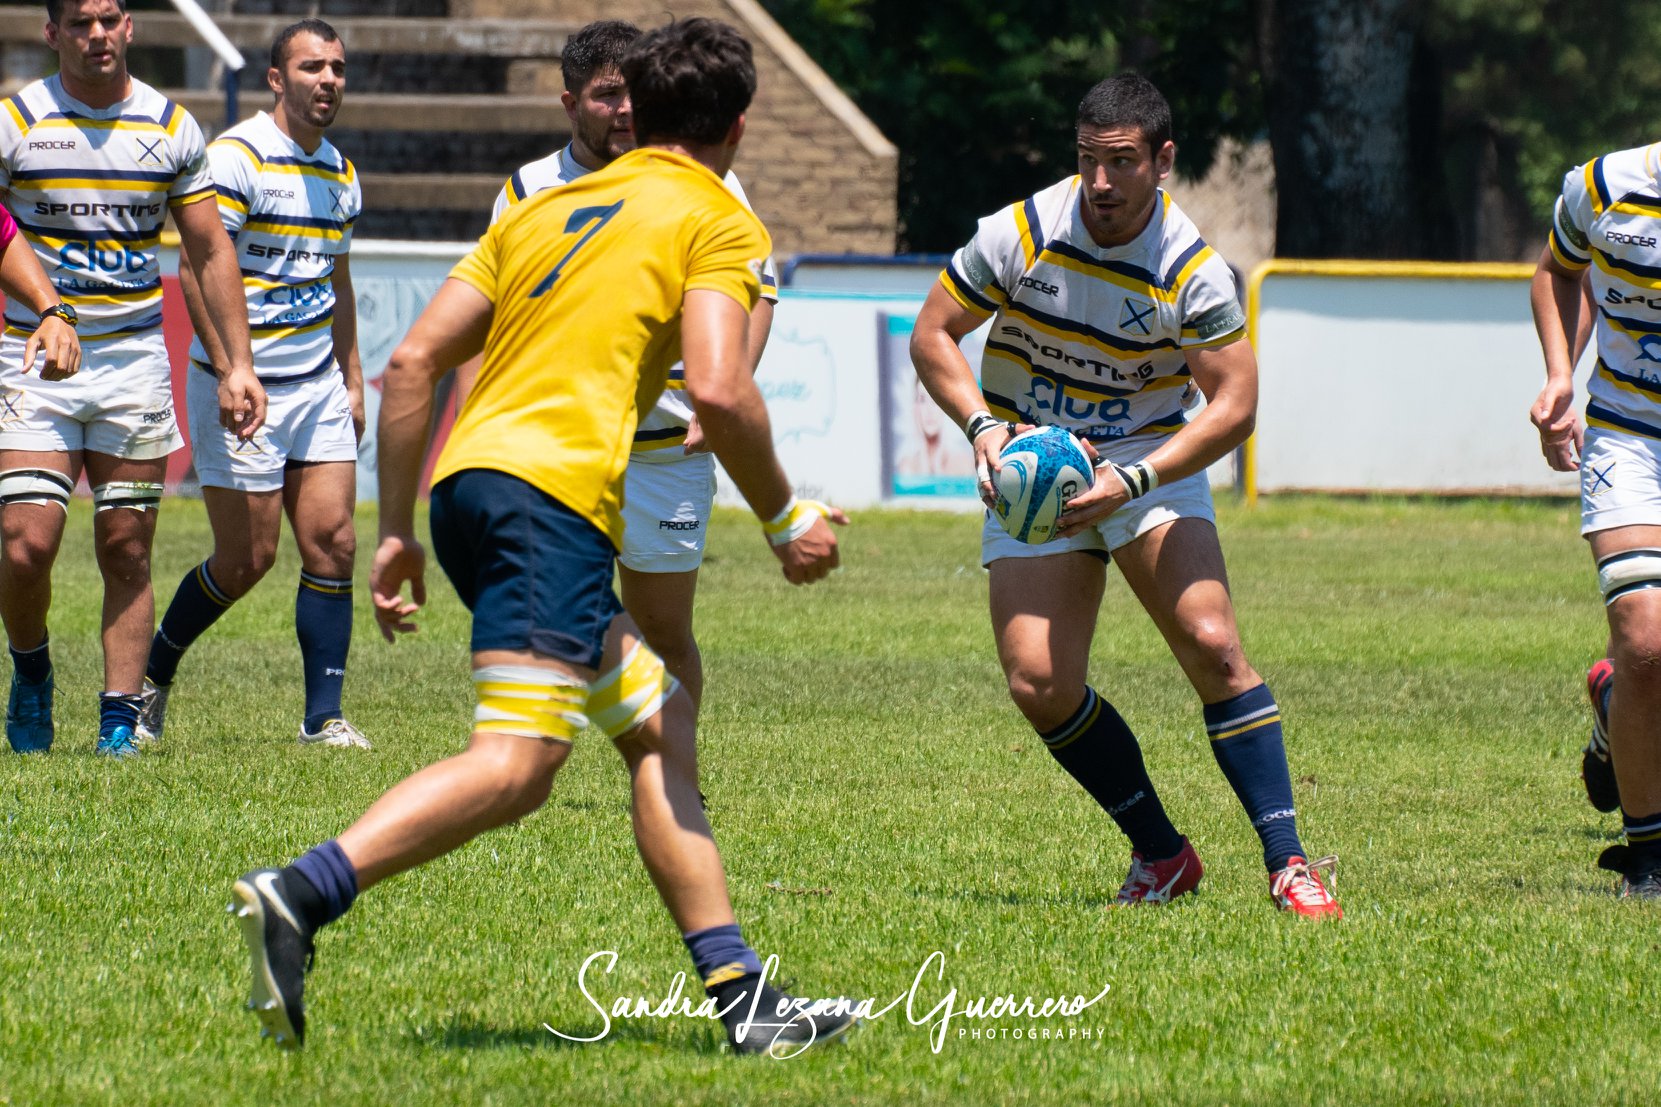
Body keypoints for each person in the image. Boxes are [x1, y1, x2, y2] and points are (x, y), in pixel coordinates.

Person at [229, 17, 855, 1055]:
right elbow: (720, 386)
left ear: (638, 113)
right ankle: (301, 891)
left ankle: (745, 1005)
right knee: (518, 767)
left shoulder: (542, 206)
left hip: (473, 493)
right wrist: (786, 520)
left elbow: (410, 365)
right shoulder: (718, 215)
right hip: (550, 504)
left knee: (659, 726)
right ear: (737, 126)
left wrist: (398, 535)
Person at [910, 74, 1341, 917]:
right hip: (1030, 458)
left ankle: (1287, 862)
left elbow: (1234, 406)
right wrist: (981, 429)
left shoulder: (1191, 271)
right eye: (1086, 162)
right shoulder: (1021, 232)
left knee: (1212, 645)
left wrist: (1135, 479)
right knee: (1038, 681)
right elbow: (934, 333)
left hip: (1145, 457)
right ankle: (1162, 855)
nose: (1099, 184)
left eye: (1120, 163)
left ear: (1162, 160)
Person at [488, 18, 783, 711]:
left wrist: (725, 389)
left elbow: (760, 293)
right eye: (605, 95)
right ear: (569, 104)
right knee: (557, 628)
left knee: (665, 631)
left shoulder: (707, 184)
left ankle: (677, 784)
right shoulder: (530, 192)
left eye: (633, 96)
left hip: (666, 452)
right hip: (564, 448)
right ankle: (532, 765)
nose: (623, 111)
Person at [0, 0, 260, 758]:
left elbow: (210, 251)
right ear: (52, 34)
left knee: (126, 545)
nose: (96, 35)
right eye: (78, 23)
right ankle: (32, 669)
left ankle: (119, 719)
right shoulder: (17, 122)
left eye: (109, 18)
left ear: (130, 28)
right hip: (33, 356)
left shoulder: (173, 127)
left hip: (132, 361)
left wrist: (237, 364)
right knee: (24, 545)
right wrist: (50, 308)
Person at [138, 19, 369, 751]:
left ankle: (322, 718)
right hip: (240, 384)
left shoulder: (341, 171)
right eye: (311, 67)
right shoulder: (234, 158)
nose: (327, 79)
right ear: (276, 79)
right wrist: (231, 367)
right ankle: (150, 676)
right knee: (247, 559)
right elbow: (197, 269)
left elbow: (336, 276)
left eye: (336, 68)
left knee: (332, 542)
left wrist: (353, 377)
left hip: (315, 382)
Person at [1529, 140, 1661, 899]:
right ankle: (1647, 858)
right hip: (1628, 434)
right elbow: (1556, 271)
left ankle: (1615, 710)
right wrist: (1558, 376)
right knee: (1645, 640)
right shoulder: (1605, 184)